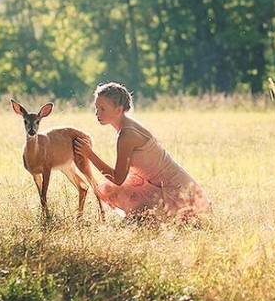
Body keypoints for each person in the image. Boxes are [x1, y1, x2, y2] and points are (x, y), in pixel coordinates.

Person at [73, 82, 211, 223]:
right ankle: (141, 219)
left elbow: (118, 179)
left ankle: (149, 220)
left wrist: (89, 154)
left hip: (181, 197)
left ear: (118, 110)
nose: (97, 113)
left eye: (103, 109)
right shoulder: (128, 125)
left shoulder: (127, 135)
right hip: (183, 189)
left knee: (112, 188)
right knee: (126, 184)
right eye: (96, 108)